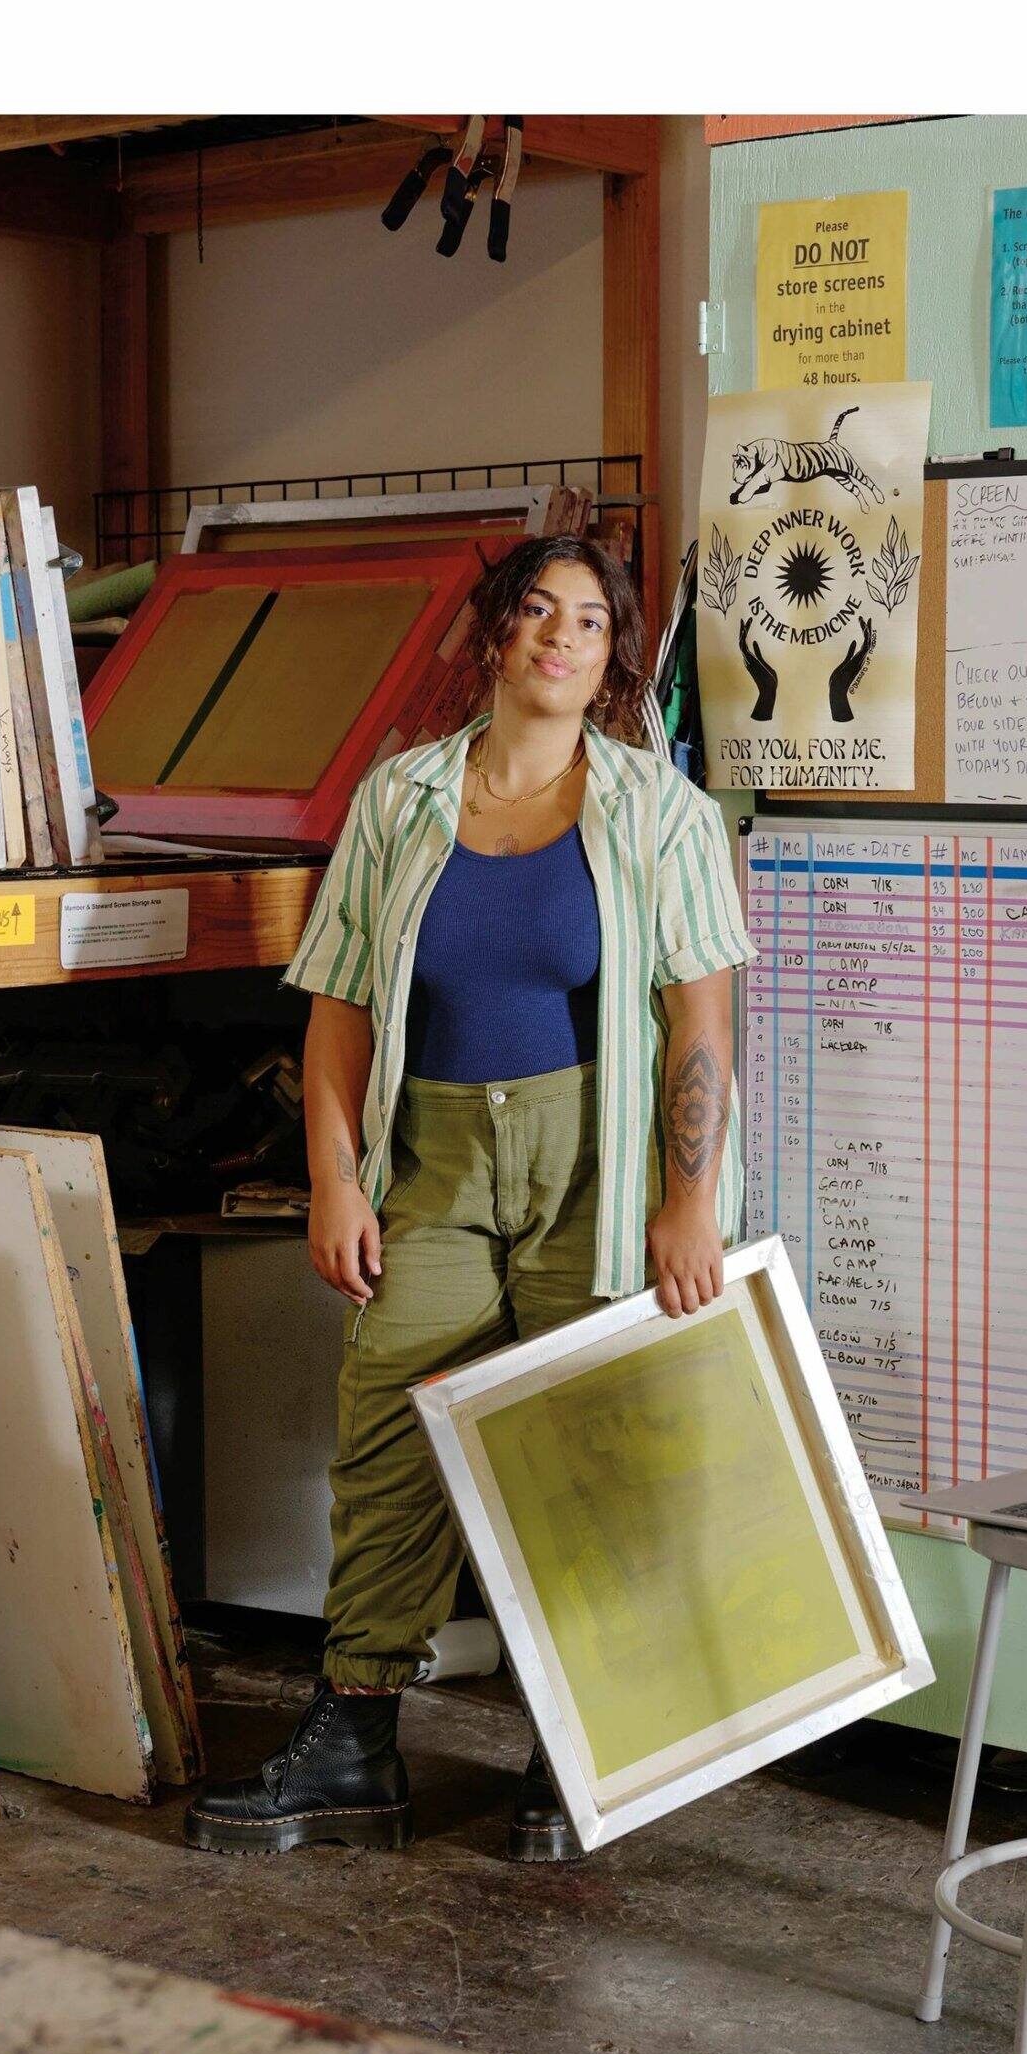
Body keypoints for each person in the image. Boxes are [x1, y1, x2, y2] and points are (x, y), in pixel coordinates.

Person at [185, 533, 750, 1862]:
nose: (562, 636)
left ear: (613, 662)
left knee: (581, 1453)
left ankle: (575, 1746)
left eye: (592, 622)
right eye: (539, 611)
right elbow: (339, 1009)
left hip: (592, 1169)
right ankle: (353, 1744)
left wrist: (688, 1204)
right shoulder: (401, 800)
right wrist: (335, 1183)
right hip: (432, 1165)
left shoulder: (660, 813)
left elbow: (699, 1023)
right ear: (497, 633)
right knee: (387, 1443)